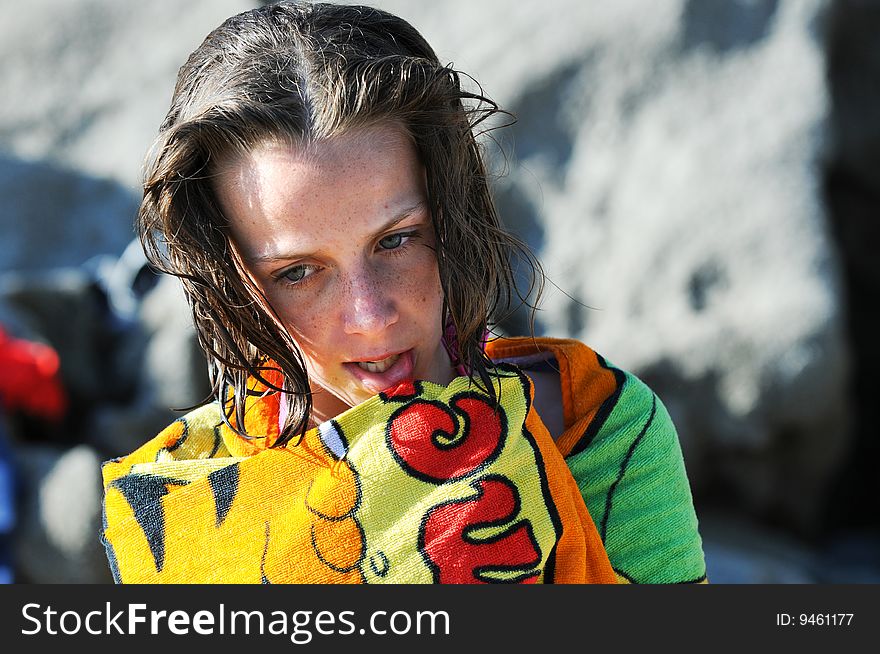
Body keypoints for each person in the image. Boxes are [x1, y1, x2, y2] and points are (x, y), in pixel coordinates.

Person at [101, 1, 706, 584]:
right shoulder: (189, 510)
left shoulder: (597, 434)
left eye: (396, 240)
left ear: (451, 213)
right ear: (232, 281)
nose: (370, 317)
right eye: (298, 273)